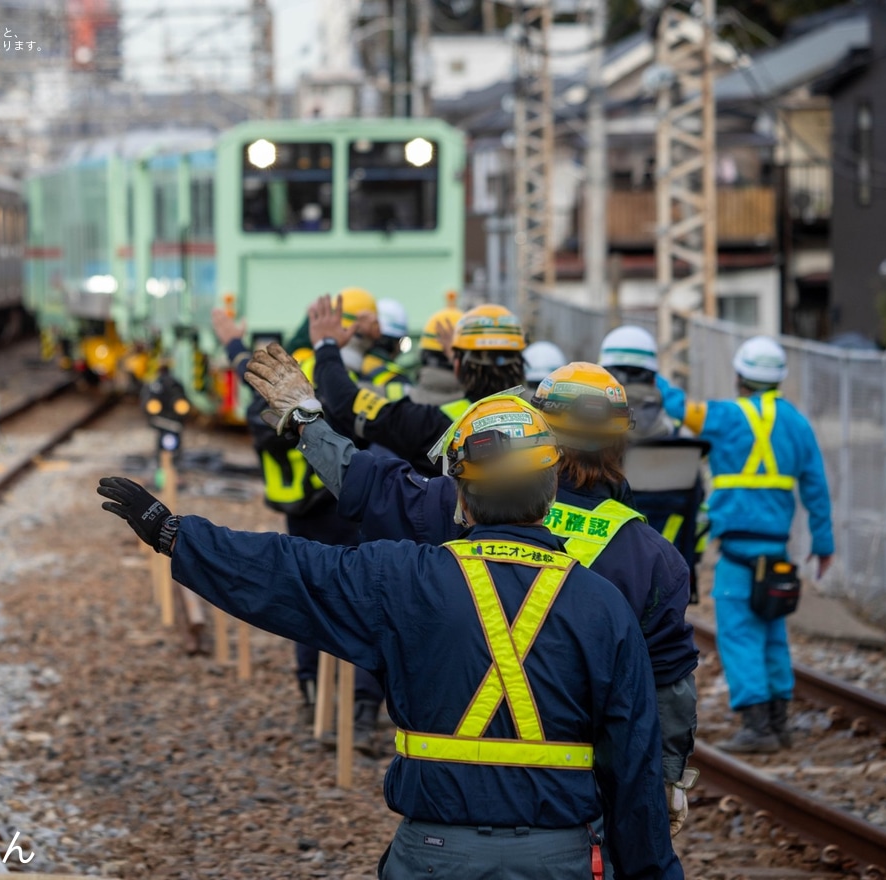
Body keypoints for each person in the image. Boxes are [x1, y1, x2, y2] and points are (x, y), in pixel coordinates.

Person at [98, 378, 683, 880]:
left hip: (433, 853)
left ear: (463, 498)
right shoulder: (605, 608)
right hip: (565, 856)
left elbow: (290, 572)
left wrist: (174, 534)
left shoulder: (404, 580)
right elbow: (635, 769)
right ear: (550, 488)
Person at [245, 348, 700, 836]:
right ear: (620, 441)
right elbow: (669, 683)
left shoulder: (467, 504)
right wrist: (669, 778)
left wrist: (306, 422)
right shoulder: (650, 555)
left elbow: (370, 485)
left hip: (457, 788)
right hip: (577, 796)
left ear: (539, 428)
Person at [209, 306, 383, 747]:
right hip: (340, 509)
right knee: (363, 602)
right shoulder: (324, 389)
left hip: (297, 512)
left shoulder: (268, 396)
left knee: (306, 600)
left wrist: (232, 341)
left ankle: (313, 699)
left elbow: (248, 375)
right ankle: (362, 713)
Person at [658, 336, 833, 753]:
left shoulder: (722, 416)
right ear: (778, 380)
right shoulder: (797, 424)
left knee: (739, 634)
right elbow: (816, 487)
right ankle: (779, 721)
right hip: (776, 552)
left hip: (738, 553)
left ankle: (757, 727)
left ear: (740, 376)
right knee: (772, 630)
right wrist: (823, 542)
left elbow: (679, 408)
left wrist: (649, 375)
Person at [308, 300, 527, 472]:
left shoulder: (430, 424)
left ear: (458, 365)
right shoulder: (543, 417)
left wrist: (326, 345)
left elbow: (346, 401)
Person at [600, 325, 710, 603]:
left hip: (604, 571)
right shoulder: (680, 437)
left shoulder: (592, 438)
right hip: (668, 565)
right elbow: (698, 512)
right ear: (654, 376)